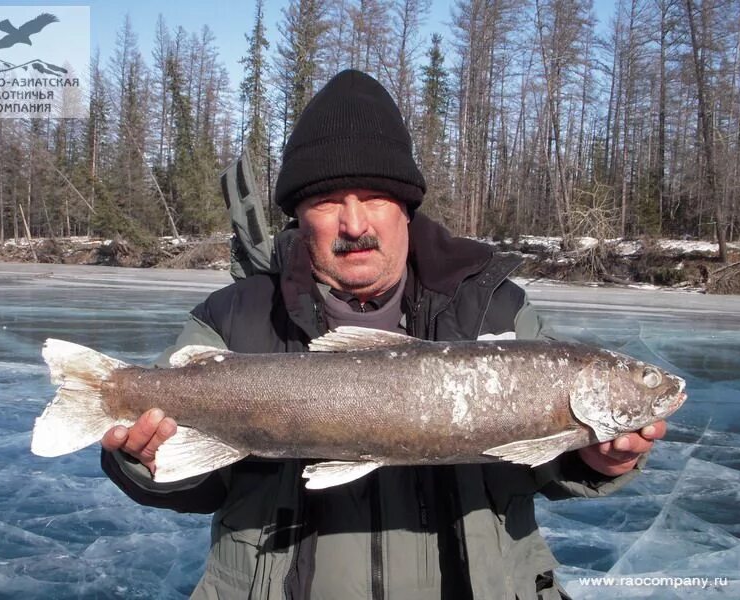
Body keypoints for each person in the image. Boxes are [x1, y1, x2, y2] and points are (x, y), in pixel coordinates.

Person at [100, 70, 667, 600]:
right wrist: (145, 461)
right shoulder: (234, 318)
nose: (354, 224)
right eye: (326, 202)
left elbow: (540, 466)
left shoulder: (494, 310)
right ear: (300, 219)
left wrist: (599, 462)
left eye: (373, 197)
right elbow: (193, 485)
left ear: (405, 208)